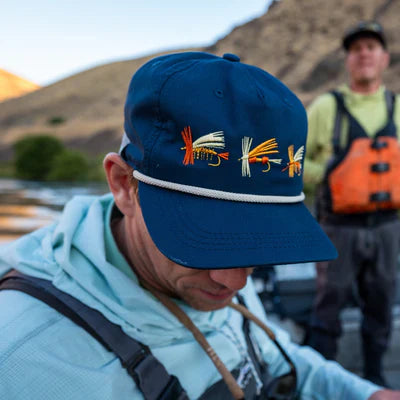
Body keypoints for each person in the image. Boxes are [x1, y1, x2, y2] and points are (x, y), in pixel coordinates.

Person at [0, 51, 398, 400]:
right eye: (207, 242)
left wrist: (366, 393)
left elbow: (276, 354)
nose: (236, 282)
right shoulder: (21, 359)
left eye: (260, 243)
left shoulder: (213, 277)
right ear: (124, 184)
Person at [304, 21, 400, 388]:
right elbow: (293, 162)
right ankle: (320, 383)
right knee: (328, 306)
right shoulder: (325, 108)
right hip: (338, 229)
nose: (364, 54)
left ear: (384, 57)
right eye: (356, 49)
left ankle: (374, 376)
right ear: (347, 59)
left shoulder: (397, 108)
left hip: (388, 228)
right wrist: (332, 174)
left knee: (381, 305)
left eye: (371, 47)